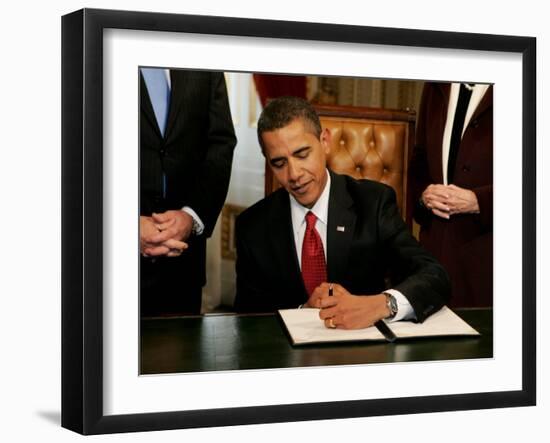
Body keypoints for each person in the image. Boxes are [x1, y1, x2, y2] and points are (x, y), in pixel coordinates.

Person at [233, 96, 449, 329]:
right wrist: (302, 311)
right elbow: (247, 321)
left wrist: (381, 305)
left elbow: (434, 276)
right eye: (279, 163)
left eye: (302, 154)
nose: (294, 174)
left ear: (325, 141)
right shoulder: (252, 226)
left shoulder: (373, 203)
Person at [140, 68, 236, 316]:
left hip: (183, 266)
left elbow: (221, 143)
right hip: (103, 267)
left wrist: (191, 216)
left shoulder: (203, 58)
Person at [408, 82, 493, 308]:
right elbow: (420, 161)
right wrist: (424, 195)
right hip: (434, 252)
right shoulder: (436, 84)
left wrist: (480, 201)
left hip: (490, 259)